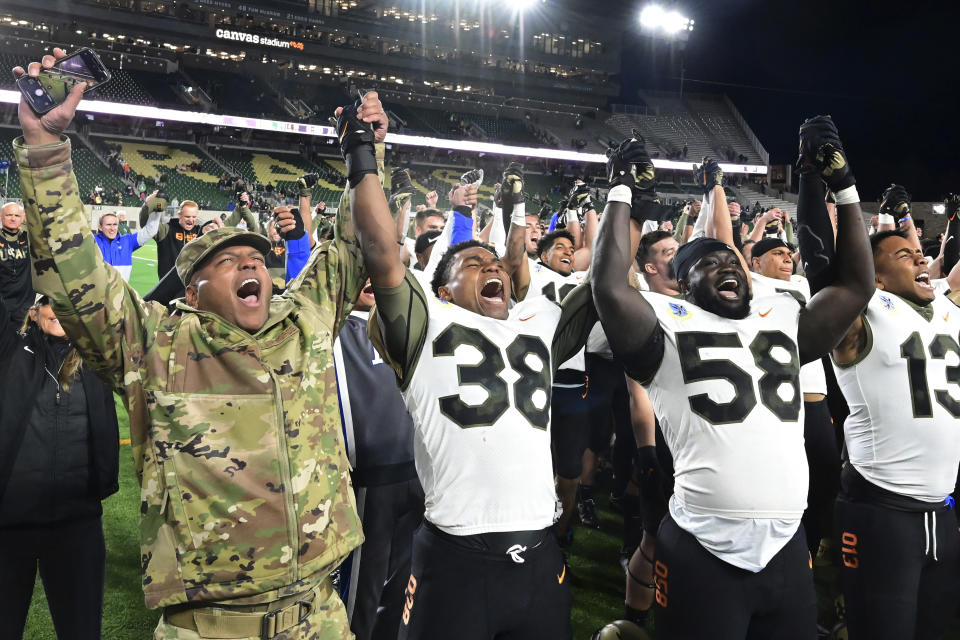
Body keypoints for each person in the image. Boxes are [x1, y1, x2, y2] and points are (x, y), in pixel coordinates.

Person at [14, 49, 368, 639]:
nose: (249, 265)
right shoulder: (158, 344)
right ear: (193, 291)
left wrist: (366, 152)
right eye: (227, 261)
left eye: (257, 258)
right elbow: (75, 282)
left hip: (323, 618)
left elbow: (355, 250)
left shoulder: (303, 322)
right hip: (211, 628)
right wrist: (47, 153)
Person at [590, 119, 873, 638]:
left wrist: (843, 184)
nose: (730, 266)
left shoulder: (782, 318)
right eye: (711, 262)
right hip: (701, 545)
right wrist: (624, 191)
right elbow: (608, 285)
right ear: (682, 282)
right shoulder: (665, 325)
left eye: (734, 261)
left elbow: (856, 285)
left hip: (786, 544)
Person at [338, 93, 594, 639]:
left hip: (542, 546)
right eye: (473, 263)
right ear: (442, 290)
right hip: (457, 549)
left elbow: (607, 286)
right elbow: (381, 252)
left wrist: (624, 200)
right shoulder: (426, 321)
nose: (492, 266)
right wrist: (364, 155)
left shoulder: (538, 325)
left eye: (496, 262)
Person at [830, 221, 960, 638]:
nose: (920, 256)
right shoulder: (860, 315)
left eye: (919, 251)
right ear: (876, 275)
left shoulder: (944, 307)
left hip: (940, 510)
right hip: (881, 511)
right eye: (904, 254)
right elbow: (838, 274)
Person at [0, 294, 120, 640]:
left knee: (81, 633)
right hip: (9, 525)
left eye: (68, 300)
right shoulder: (8, 349)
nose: (58, 310)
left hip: (76, 526)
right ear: (34, 312)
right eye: (50, 301)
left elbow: (151, 314)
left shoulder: (100, 358)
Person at [334, 281, 424, 640]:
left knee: (404, 582)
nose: (370, 277)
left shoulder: (407, 325)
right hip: (368, 479)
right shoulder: (331, 327)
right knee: (361, 589)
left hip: (418, 473)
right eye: (360, 270)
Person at [93, 205, 162, 281]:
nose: (112, 228)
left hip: (121, 292)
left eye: (115, 225)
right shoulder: (91, 240)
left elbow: (150, 231)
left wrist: (157, 208)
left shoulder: (128, 241)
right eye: (108, 225)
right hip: (96, 292)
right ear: (100, 227)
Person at [0, 201, 32, 329]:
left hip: (24, 305)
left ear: (23, 218)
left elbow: (43, 228)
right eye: (8, 215)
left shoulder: (30, 239)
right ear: (1, 217)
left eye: (17, 216)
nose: (13, 218)